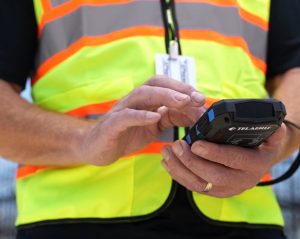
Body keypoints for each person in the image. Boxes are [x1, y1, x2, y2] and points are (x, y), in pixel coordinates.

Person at [0, 0, 299, 239]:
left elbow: (295, 73)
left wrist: (277, 142)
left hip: (246, 214)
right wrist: (84, 140)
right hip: (73, 218)